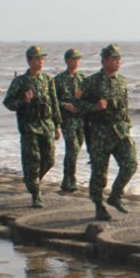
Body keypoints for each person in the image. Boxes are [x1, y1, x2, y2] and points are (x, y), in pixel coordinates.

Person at [76, 43, 135, 221]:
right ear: (104, 60)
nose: (118, 62)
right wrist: (93, 107)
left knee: (131, 164)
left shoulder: (122, 81)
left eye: (119, 58)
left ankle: (115, 195)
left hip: (121, 132)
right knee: (99, 173)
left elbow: (124, 107)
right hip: (100, 133)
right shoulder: (91, 82)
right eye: (114, 58)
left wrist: (127, 125)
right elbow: (76, 103)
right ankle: (99, 205)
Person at [3, 45, 62, 208]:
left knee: (49, 160)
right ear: (29, 60)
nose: (41, 61)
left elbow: (54, 102)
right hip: (29, 126)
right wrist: (23, 101)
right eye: (37, 58)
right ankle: (36, 194)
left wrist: (57, 125)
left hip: (46, 125)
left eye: (42, 58)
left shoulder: (48, 79)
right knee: (33, 160)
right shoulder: (20, 81)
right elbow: (8, 102)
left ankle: (32, 179)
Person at [54, 47, 86, 193]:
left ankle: (69, 178)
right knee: (72, 148)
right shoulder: (59, 80)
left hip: (81, 120)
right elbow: (52, 101)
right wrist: (64, 105)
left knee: (76, 148)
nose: (76, 61)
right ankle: (69, 180)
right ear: (67, 60)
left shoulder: (82, 79)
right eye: (74, 59)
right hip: (67, 120)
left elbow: (87, 97)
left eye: (78, 59)